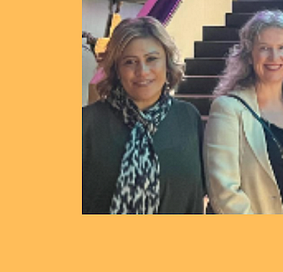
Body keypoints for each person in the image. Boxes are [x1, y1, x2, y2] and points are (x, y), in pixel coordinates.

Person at [204, 10, 283, 214]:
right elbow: (224, 190)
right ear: (249, 55)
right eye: (264, 48)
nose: (274, 57)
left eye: (282, 48)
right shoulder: (228, 109)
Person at [82, 17, 205, 214]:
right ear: (117, 69)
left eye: (151, 59)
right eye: (130, 62)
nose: (142, 71)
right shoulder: (86, 123)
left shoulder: (188, 118)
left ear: (167, 61)